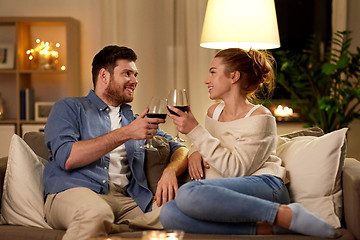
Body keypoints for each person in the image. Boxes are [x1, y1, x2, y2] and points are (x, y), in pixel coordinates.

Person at [160, 48, 338, 238]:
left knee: (188, 192)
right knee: (169, 212)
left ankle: (284, 214)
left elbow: (235, 170)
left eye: (213, 72)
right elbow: (211, 143)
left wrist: (195, 130)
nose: (206, 80)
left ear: (234, 76)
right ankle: (268, 228)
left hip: (266, 185)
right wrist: (195, 151)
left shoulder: (261, 117)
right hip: (227, 190)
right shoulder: (213, 113)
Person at [43, 45, 188, 240]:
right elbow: (67, 157)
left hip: (127, 200)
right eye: (127, 73)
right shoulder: (70, 108)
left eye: (136, 75)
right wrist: (126, 133)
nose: (135, 81)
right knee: (96, 214)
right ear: (104, 75)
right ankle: (111, 225)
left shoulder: (134, 120)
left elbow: (179, 148)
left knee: (179, 216)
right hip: (74, 191)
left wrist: (171, 171)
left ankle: (113, 229)